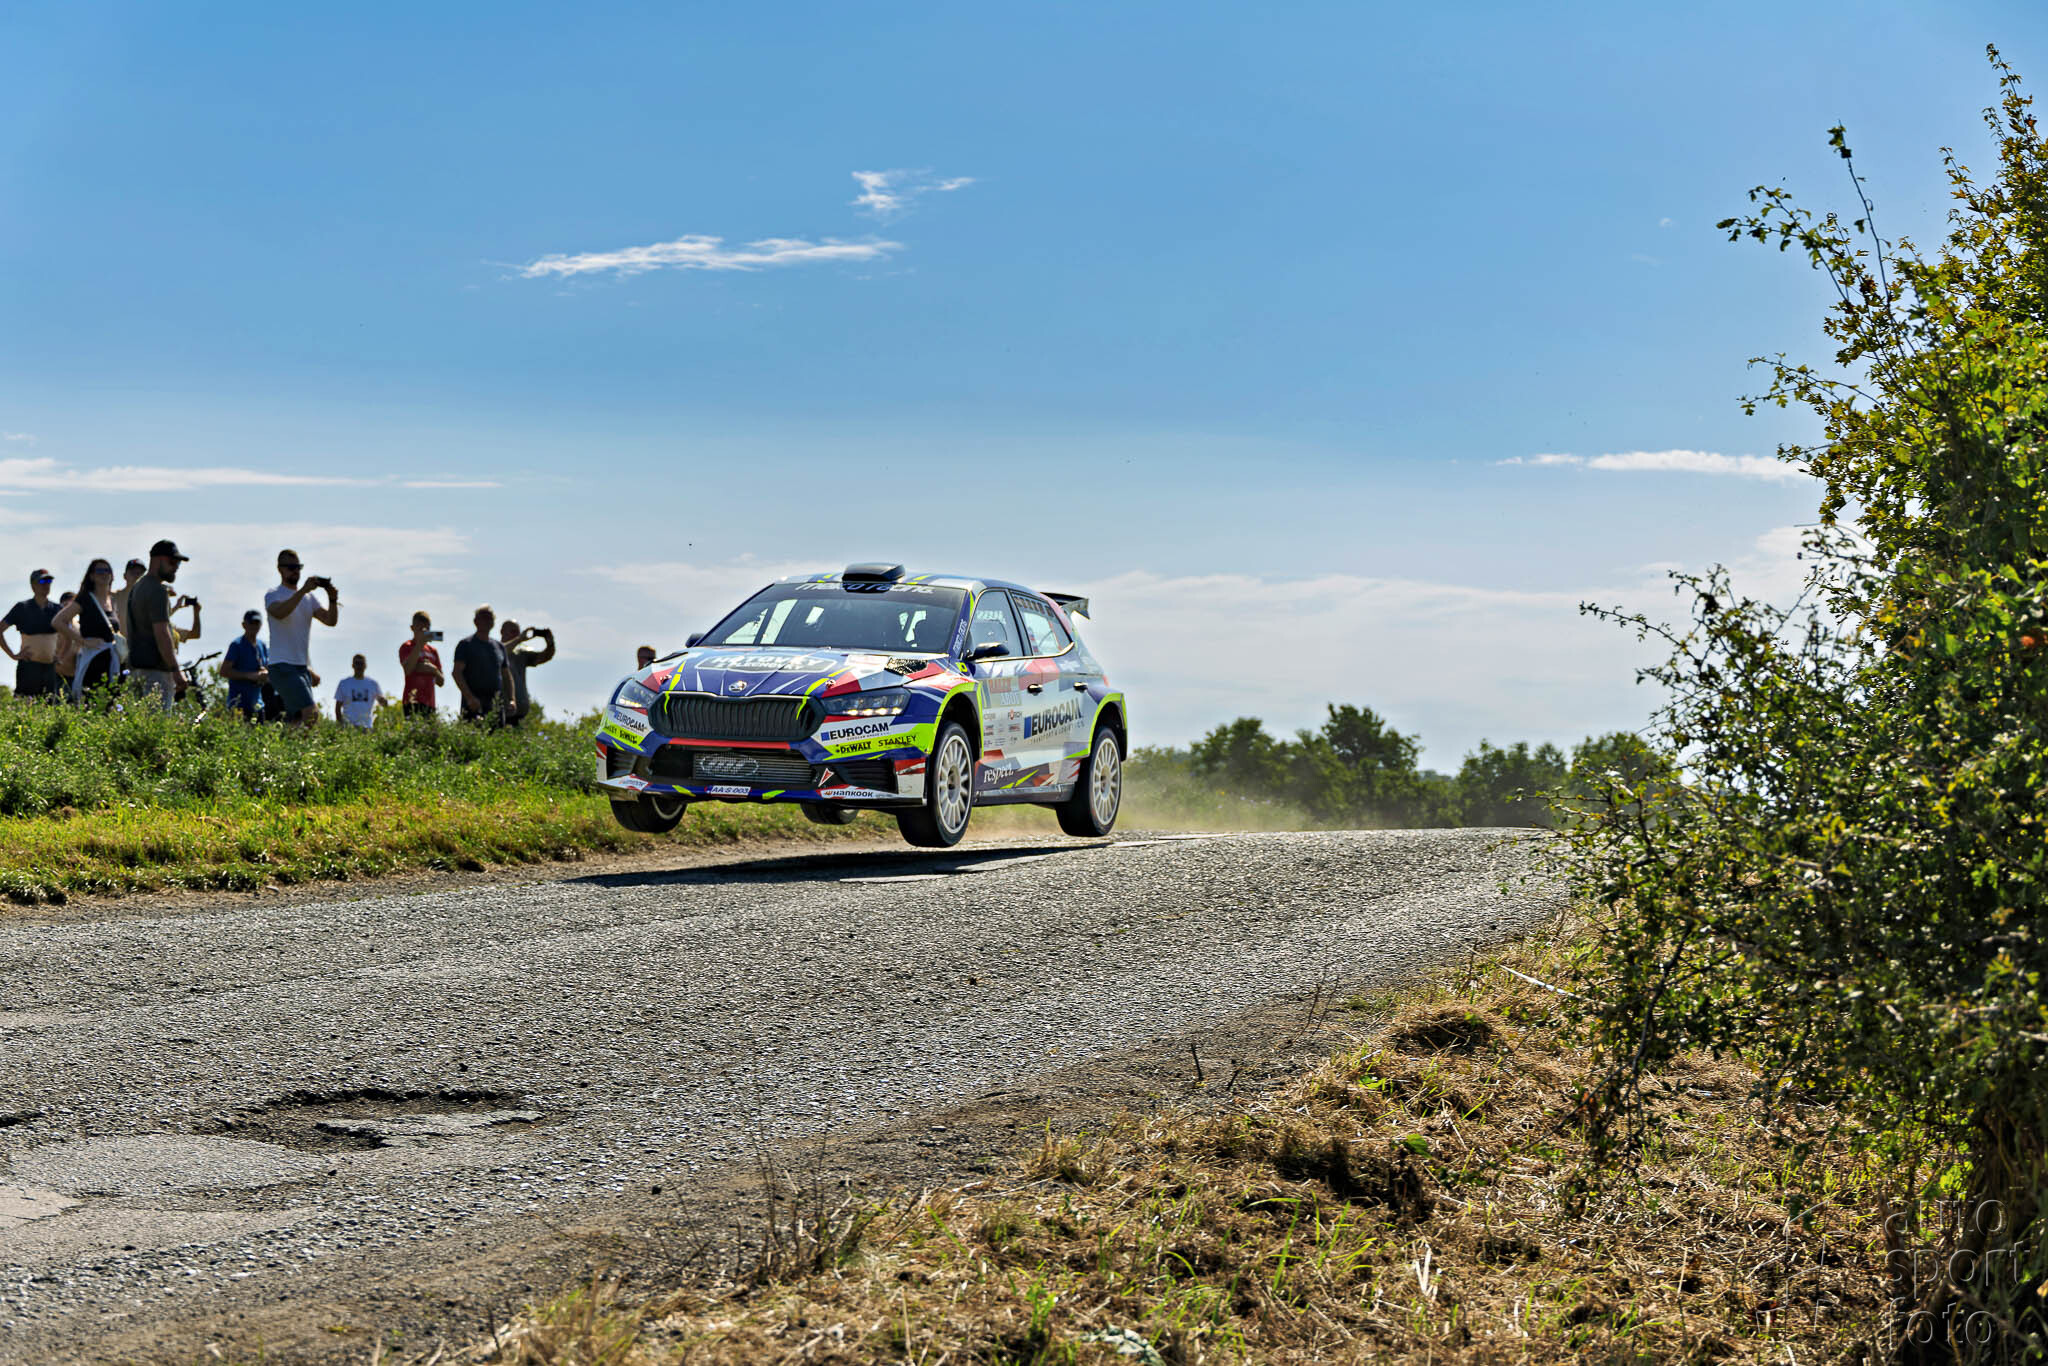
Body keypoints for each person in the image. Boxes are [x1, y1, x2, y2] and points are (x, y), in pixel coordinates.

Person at [263, 549, 338, 726]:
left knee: (298, 719)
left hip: (301, 667)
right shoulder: (273, 594)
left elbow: (330, 620)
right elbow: (280, 613)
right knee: (310, 713)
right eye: (291, 567)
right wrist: (303, 590)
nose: (295, 571)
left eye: (298, 567)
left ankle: (286, 743)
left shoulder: (309, 598)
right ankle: (296, 744)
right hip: (281, 665)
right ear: (280, 569)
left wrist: (332, 600)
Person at [124, 540, 189, 709]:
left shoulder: (138, 587)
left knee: (140, 721)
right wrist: (176, 671)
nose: (176, 567)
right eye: (172, 562)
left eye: (178, 563)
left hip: (136, 670)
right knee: (156, 722)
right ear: (157, 559)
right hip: (156, 674)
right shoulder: (158, 590)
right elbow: (162, 633)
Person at [53, 559, 121, 700]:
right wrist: (83, 641)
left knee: (112, 701)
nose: (104, 574)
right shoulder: (85, 598)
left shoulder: (112, 600)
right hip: (93, 659)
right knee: (91, 700)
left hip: (112, 660)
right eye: (99, 571)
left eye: (107, 570)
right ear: (92, 576)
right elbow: (58, 621)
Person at [1, 569, 64, 700]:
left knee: (50, 704)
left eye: (49, 581)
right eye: (42, 581)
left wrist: (61, 654)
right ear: (33, 585)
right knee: (24, 703)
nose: (46, 585)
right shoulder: (22, 607)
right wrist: (13, 655)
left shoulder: (57, 609)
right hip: (28, 668)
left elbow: (69, 634)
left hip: (51, 669)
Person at [452, 605, 513, 723]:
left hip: (496, 706)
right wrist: (469, 698)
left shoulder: (499, 647)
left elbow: (507, 675)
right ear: (475, 621)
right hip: (473, 706)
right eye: (483, 617)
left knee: (497, 734)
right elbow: (456, 673)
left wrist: (512, 699)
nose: (487, 621)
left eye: (490, 618)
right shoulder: (466, 645)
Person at [497, 619, 555, 725]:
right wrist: (519, 639)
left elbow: (544, 657)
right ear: (502, 631)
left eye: (518, 632)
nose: (517, 635)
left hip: (518, 714)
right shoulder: (494, 649)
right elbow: (500, 652)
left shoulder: (521, 654)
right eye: (513, 631)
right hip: (500, 713)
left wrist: (550, 643)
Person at [219, 610, 270, 718]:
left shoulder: (262, 645)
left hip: (258, 705)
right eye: (251, 623)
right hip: (238, 705)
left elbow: (266, 667)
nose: (254, 626)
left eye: (257, 623)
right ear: (244, 625)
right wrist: (249, 676)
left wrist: (264, 673)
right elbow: (224, 671)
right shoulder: (237, 645)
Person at [398, 612, 444, 719]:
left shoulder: (433, 651)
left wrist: (433, 670)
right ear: (412, 628)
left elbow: (441, 682)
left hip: (430, 703)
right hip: (412, 702)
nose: (424, 632)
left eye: (426, 629)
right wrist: (420, 644)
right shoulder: (407, 647)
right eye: (420, 629)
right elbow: (408, 669)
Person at [333, 654, 388, 729]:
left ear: (365, 666)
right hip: (349, 728)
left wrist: (383, 701)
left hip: (367, 727)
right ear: (353, 665)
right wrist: (341, 724)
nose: (359, 666)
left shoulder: (373, 684)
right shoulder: (344, 683)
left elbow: (383, 703)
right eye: (357, 663)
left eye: (361, 663)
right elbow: (337, 708)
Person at [109, 559, 145, 642]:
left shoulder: (149, 598)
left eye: (140, 573)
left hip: (143, 646)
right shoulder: (114, 597)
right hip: (120, 646)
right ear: (124, 576)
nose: (136, 576)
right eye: (132, 573)